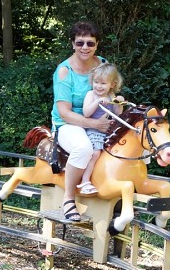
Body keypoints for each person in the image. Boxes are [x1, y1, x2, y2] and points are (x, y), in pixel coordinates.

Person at [50, 21, 113, 221]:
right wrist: (95, 125)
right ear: (72, 44)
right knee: (84, 148)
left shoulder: (102, 64)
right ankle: (69, 199)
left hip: (99, 118)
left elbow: (110, 90)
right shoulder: (64, 71)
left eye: (90, 43)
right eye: (80, 43)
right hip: (69, 124)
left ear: (97, 44)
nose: (85, 47)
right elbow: (64, 113)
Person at [77, 63, 125, 195]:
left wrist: (119, 103)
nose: (98, 86)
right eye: (96, 82)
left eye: (103, 83)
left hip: (108, 131)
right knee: (96, 153)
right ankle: (85, 180)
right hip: (94, 131)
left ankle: (107, 178)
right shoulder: (91, 95)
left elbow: (118, 113)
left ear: (112, 84)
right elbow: (86, 113)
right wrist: (97, 102)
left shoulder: (111, 96)